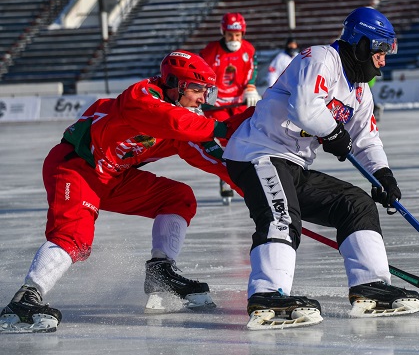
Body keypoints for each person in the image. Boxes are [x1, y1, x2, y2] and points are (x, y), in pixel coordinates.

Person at [0, 50, 253, 333]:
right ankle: (25, 299)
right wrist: (220, 126)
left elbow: (215, 159)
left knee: (177, 197)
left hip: (114, 178)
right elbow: (171, 121)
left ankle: (161, 272)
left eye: (207, 91)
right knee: (75, 237)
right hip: (77, 166)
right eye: (197, 89)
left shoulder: (187, 119)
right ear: (174, 84)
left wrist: (256, 190)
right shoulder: (141, 96)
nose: (203, 98)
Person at [223, 7, 419, 330]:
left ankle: (371, 285)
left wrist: (382, 174)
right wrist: (332, 131)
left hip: (295, 164)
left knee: (355, 204)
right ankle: (267, 294)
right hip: (260, 151)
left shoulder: (360, 92)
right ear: (360, 44)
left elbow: (366, 138)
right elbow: (304, 106)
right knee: (281, 214)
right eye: (380, 50)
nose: (384, 60)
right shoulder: (321, 59)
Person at [200, 12, 258, 204]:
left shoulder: (248, 49)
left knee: (246, 134)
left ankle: (245, 173)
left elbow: (252, 68)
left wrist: (251, 86)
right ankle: (227, 177)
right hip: (217, 103)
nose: (234, 39)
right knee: (227, 137)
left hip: (238, 100)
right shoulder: (211, 51)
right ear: (223, 32)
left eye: (238, 35)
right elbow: (200, 72)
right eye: (230, 35)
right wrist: (206, 93)